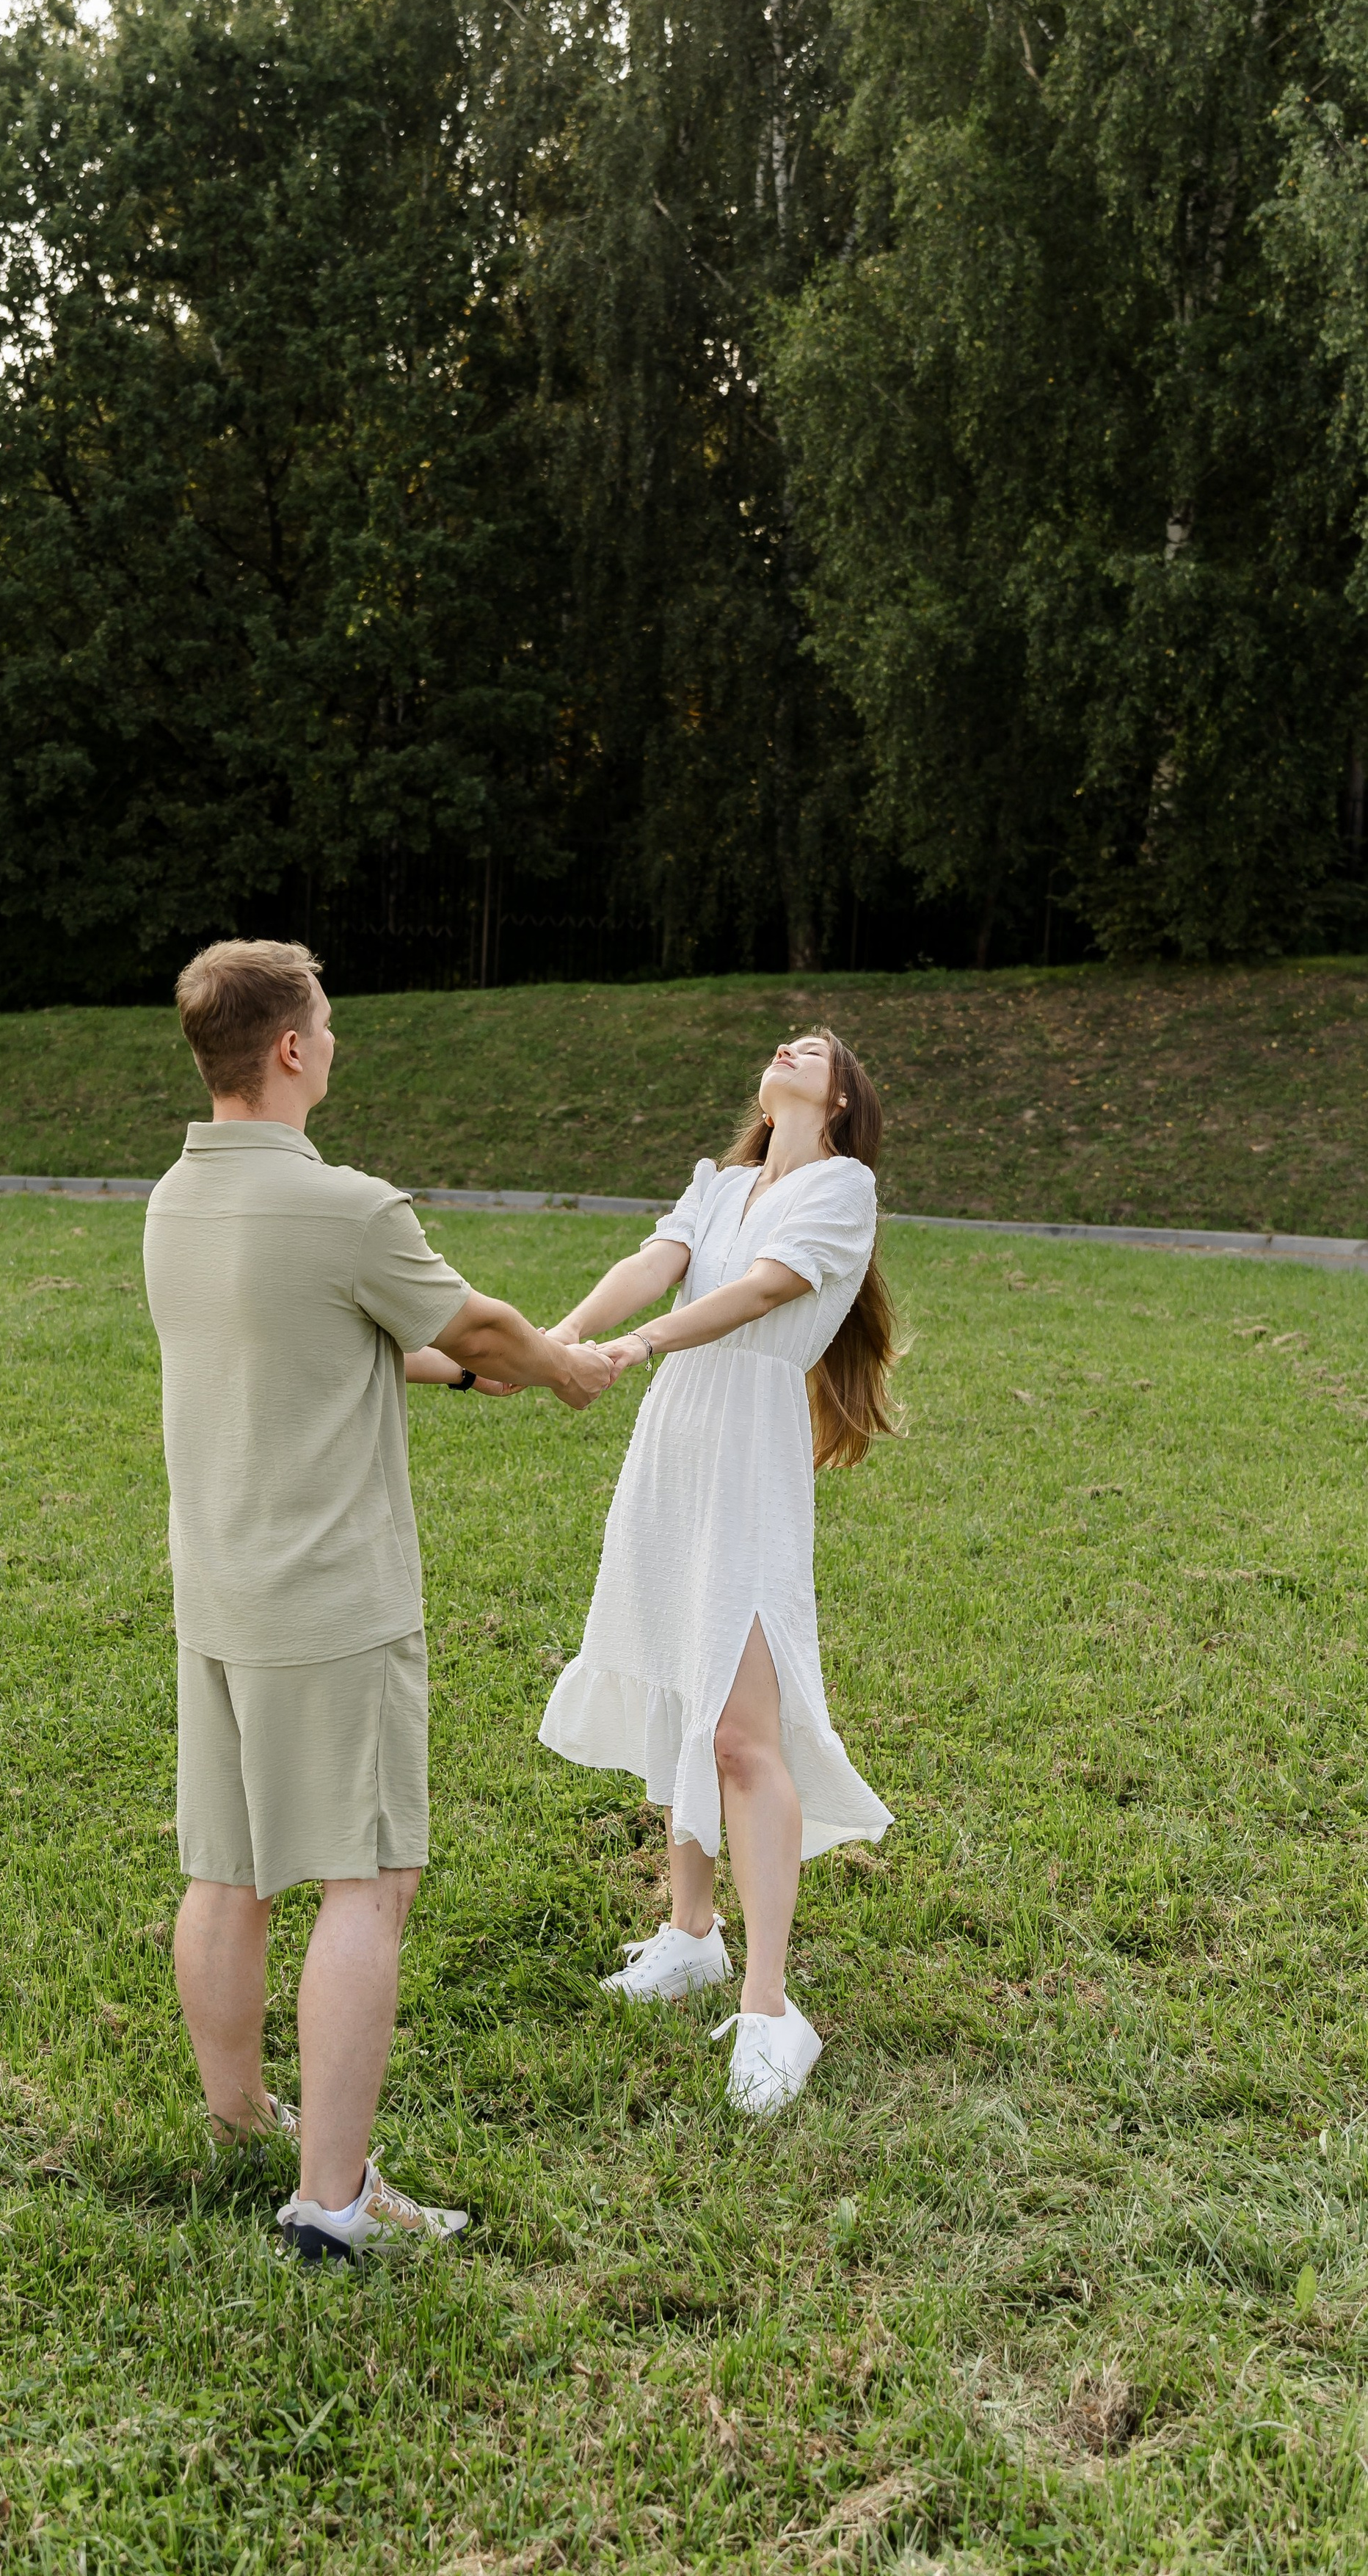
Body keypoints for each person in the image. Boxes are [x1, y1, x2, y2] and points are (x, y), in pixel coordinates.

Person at [144, 938, 613, 2260]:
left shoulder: (176, 1199)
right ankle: (334, 2204)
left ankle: (240, 2123)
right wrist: (561, 1369)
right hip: (332, 1603)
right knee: (370, 1879)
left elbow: (331, 1341)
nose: (336, 1040)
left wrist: (461, 1376)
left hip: (219, 1593)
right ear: (290, 1048)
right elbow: (478, 1323)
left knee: (227, 1870)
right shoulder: (349, 1206)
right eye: (328, 1023)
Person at [536, 1029, 900, 2114]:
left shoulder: (845, 1188)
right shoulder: (723, 1183)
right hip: (675, 1444)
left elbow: (759, 1296)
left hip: (746, 1441)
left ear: (838, 1100)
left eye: (819, 1048)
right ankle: (690, 1933)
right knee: (683, 1684)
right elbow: (651, 1265)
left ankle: (772, 2006)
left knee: (745, 1727)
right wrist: (555, 1342)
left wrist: (639, 1347)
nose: (795, 1045)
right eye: (789, 1040)